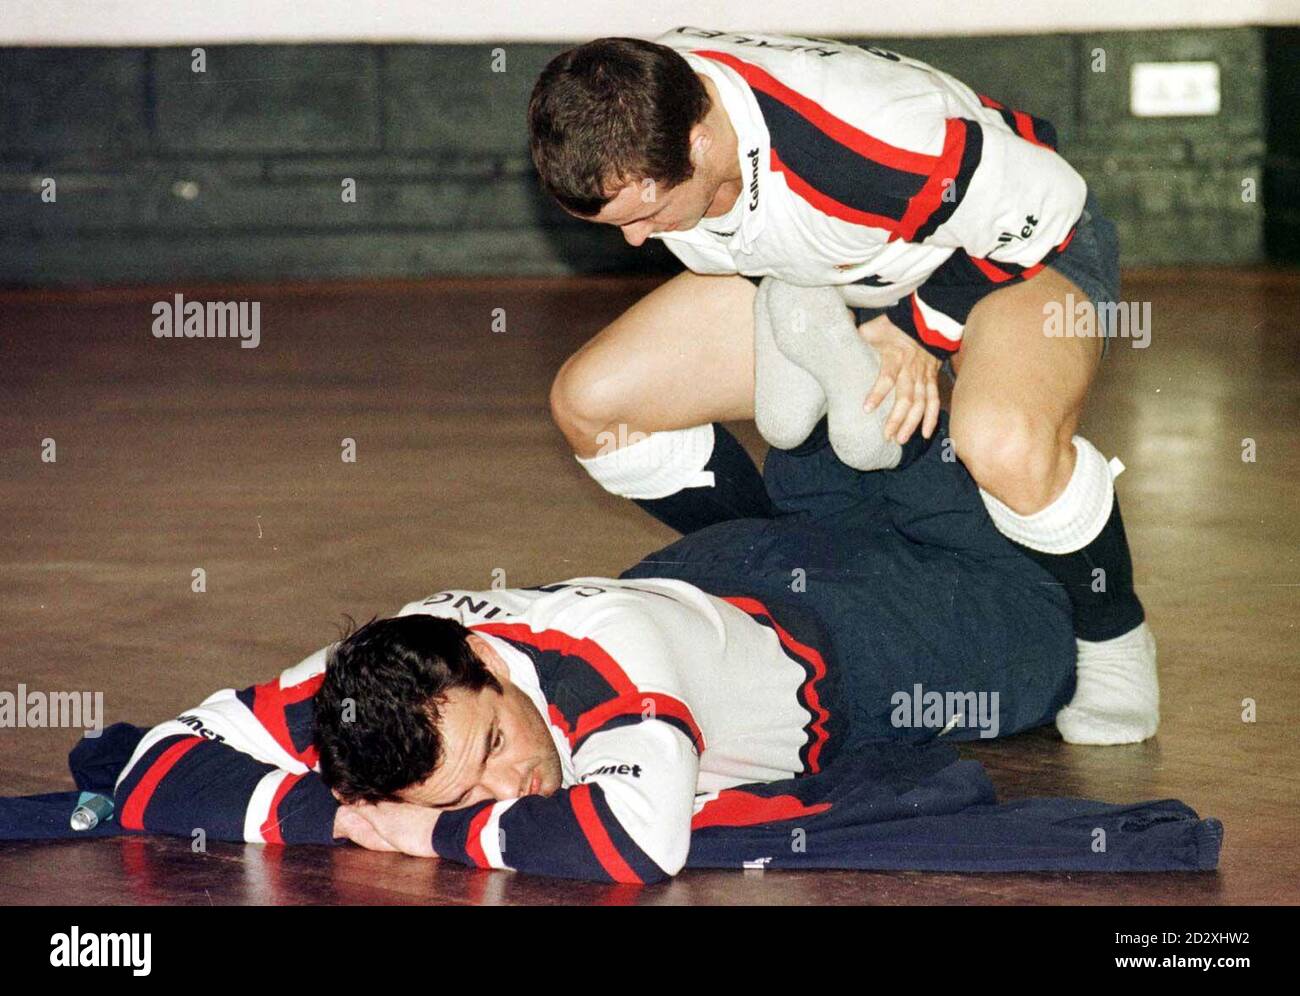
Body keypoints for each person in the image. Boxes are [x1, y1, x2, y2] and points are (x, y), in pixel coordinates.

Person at [112, 413, 1076, 884]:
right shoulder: (372, 687)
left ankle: (904, 369)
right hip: (702, 574)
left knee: (1044, 644)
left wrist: (430, 831)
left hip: (858, 648)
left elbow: (633, 842)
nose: (514, 787)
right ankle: (829, 445)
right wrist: (346, 816)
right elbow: (152, 769)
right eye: (459, 796)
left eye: (494, 747)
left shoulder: (596, 665)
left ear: (483, 664)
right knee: (830, 478)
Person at [531, 27, 1156, 745]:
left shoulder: (863, 137)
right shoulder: (643, 97)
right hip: (830, 271)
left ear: (701, 140)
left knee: (1003, 443)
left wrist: (920, 331)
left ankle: (1114, 631)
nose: (637, 241)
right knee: (595, 405)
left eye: (645, 214)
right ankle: (803, 551)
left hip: (1003, 251)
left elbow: (1046, 206)